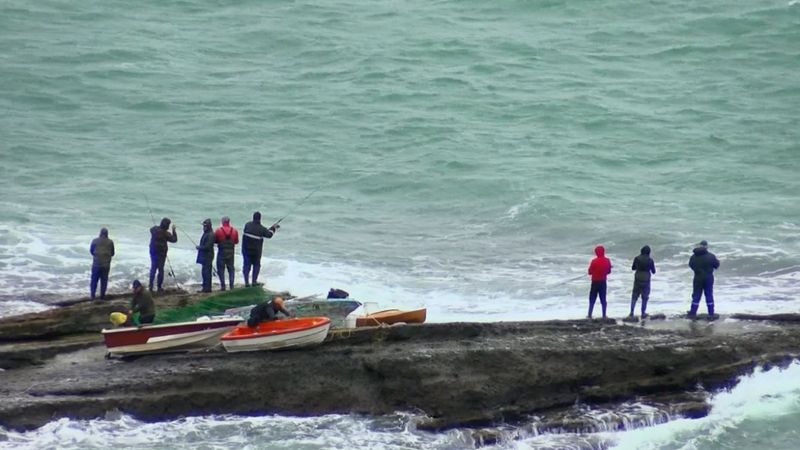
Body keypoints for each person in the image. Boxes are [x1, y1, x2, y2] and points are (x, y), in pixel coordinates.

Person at [241, 211, 279, 287]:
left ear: (253, 217)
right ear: (260, 219)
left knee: (246, 266)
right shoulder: (262, 229)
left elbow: (255, 231)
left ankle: (246, 283)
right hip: (256, 252)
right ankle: (254, 282)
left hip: (246, 250)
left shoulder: (247, 225)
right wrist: (273, 228)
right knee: (256, 266)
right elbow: (269, 235)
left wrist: (269, 229)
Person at [688, 240, 720, 318]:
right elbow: (716, 265)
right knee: (709, 295)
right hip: (708, 277)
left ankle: (693, 313)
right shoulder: (711, 256)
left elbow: (691, 265)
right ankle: (711, 314)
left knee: (696, 295)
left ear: (700, 246)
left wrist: (697, 270)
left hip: (698, 277)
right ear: (706, 246)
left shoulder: (693, 256)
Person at [149, 217, 177, 293]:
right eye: (168, 225)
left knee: (153, 269)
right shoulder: (166, 234)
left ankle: (150, 287)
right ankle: (159, 287)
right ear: (166, 225)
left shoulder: (155, 230)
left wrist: (157, 227)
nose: (168, 226)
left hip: (153, 253)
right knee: (160, 270)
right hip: (161, 255)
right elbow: (174, 240)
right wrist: (174, 230)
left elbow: (151, 229)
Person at [629, 245, 656, 318]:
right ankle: (643, 313)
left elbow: (633, 268)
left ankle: (631, 312)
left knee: (634, 296)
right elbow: (653, 271)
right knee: (645, 297)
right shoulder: (650, 260)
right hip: (646, 279)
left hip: (638, 277)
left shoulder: (637, 258)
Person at [214, 216, 239, 291]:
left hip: (222, 252)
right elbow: (236, 241)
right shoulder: (234, 231)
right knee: (231, 269)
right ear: (229, 222)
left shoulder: (218, 230)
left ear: (222, 222)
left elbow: (215, 240)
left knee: (220, 269)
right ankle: (231, 286)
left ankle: (223, 286)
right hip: (231, 252)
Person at [89, 227, 115, 300]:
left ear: (100, 234)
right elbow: (113, 253)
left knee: (94, 280)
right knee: (104, 281)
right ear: (107, 234)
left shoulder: (94, 241)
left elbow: (91, 251)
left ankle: (92, 296)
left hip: (96, 264)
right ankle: (102, 297)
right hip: (106, 265)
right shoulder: (110, 242)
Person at [587, 245, 612, 319]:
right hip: (603, 282)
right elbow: (608, 271)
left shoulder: (594, 261)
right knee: (603, 299)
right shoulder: (607, 260)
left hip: (595, 282)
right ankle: (604, 315)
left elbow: (589, 272)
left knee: (592, 299)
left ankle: (589, 314)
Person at [196, 219, 215, 293]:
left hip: (208, 256)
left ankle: (207, 288)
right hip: (206, 256)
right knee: (205, 272)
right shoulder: (207, 233)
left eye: (204, 226)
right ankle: (205, 287)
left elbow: (208, 246)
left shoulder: (210, 235)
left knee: (206, 272)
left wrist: (199, 247)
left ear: (208, 226)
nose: (203, 227)